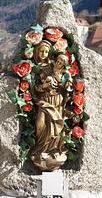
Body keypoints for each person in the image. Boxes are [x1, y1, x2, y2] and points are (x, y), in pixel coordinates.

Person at [31, 42, 73, 171]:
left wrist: (61, 81)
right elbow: (34, 87)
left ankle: (53, 149)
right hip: (44, 101)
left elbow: (68, 88)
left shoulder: (61, 71)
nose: (44, 54)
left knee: (56, 126)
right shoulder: (40, 68)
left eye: (46, 52)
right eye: (41, 51)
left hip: (57, 101)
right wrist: (44, 86)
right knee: (40, 125)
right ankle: (40, 150)